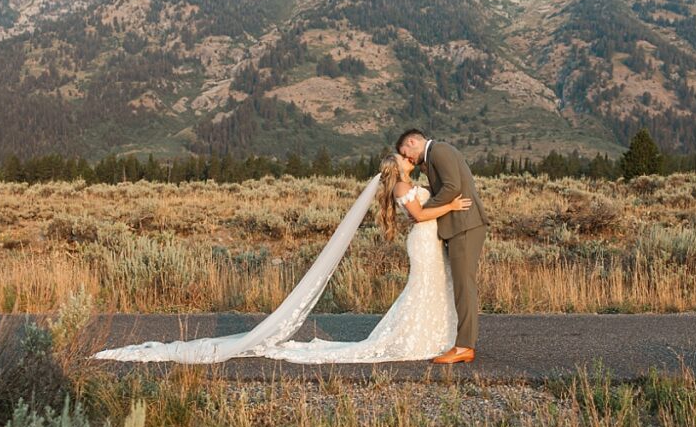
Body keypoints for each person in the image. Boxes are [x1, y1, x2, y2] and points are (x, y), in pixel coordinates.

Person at [90, 151, 474, 364]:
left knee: (429, 289)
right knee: (422, 289)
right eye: (405, 159)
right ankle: (415, 339)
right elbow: (421, 215)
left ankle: (432, 337)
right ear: (399, 168)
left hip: (425, 242)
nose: (410, 159)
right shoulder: (404, 186)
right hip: (423, 240)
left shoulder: (406, 182)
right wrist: (453, 203)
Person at [396, 129, 488, 363]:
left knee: (463, 284)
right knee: (458, 284)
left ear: (412, 141)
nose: (408, 159)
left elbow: (452, 188)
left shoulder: (439, 151)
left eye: (405, 152)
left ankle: (465, 346)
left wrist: (424, 210)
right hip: (459, 226)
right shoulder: (434, 156)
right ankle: (460, 342)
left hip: (465, 224)